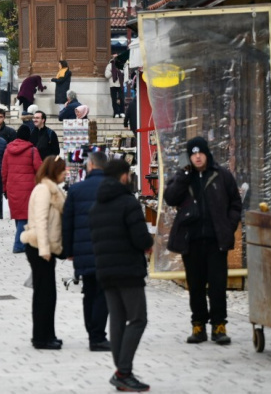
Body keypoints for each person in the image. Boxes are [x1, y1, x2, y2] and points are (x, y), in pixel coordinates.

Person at [164, 136, 242, 345]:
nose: (197, 157)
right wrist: (184, 176)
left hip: (216, 241)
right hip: (191, 241)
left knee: (217, 285)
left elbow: (236, 203)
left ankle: (219, 326)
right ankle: (198, 325)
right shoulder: (183, 177)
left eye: (200, 153)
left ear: (207, 154)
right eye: (193, 154)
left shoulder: (221, 176)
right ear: (189, 157)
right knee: (196, 286)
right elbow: (170, 198)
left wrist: (229, 225)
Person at [89, 159, 153, 392]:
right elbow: (142, 239)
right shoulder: (128, 202)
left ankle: (121, 370)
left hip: (105, 271)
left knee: (116, 319)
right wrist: (150, 242)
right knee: (138, 318)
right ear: (123, 176)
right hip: (128, 270)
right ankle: (123, 371)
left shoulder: (97, 205)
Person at [61, 151, 111, 352]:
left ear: (89, 166)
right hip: (107, 250)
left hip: (83, 250)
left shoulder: (76, 190)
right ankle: (98, 336)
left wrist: (68, 250)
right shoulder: (113, 187)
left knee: (89, 292)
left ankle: (92, 333)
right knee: (103, 294)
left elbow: (68, 223)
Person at [20, 155, 67, 350]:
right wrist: (45, 249)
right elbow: (40, 221)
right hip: (39, 248)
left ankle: (49, 334)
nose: (66, 173)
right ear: (54, 171)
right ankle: (40, 337)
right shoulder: (43, 190)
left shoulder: (54, 190)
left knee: (49, 294)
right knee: (43, 295)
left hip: (47, 248)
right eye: (63, 170)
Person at [2, 127, 42, 254]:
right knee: (25, 216)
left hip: (12, 187)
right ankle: (19, 245)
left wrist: (4, 188)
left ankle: (24, 242)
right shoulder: (32, 151)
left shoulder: (8, 150)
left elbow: (4, 171)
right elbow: (39, 169)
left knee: (19, 215)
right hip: (28, 189)